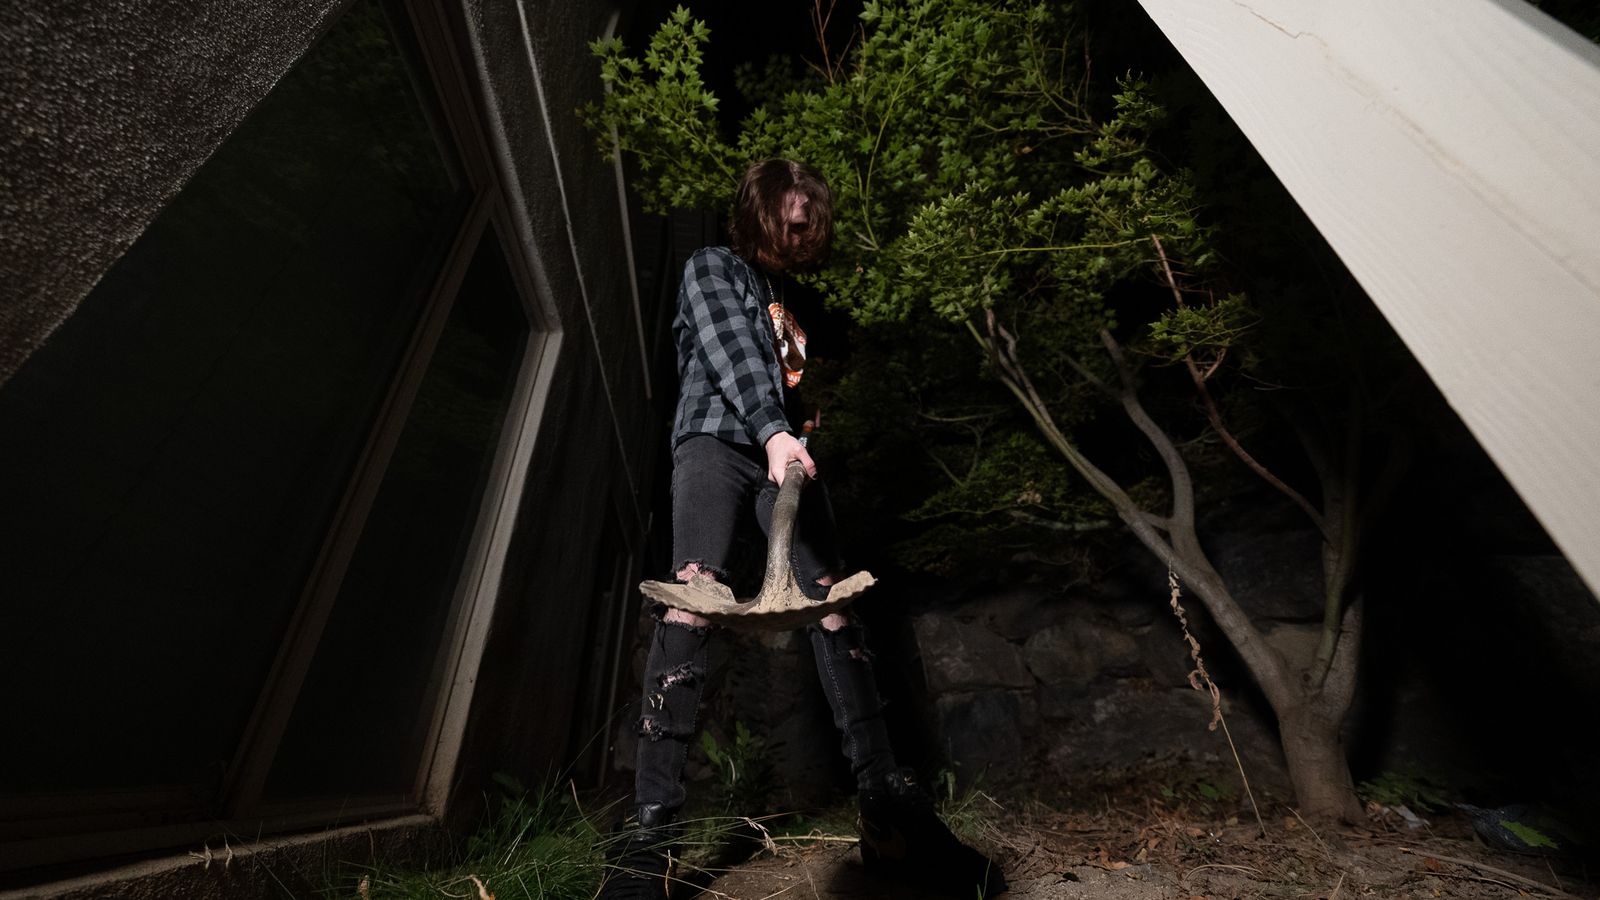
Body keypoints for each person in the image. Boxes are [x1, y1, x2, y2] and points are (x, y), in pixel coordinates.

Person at [598, 160, 1007, 900]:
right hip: (717, 445)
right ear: (756, 211)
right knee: (693, 596)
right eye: (788, 216)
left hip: (781, 455)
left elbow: (787, 381)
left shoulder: (793, 304)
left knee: (833, 601)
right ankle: (649, 833)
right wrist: (773, 429)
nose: (799, 229)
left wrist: (801, 420)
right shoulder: (711, 266)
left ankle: (888, 811)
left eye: (808, 221)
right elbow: (732, 353)